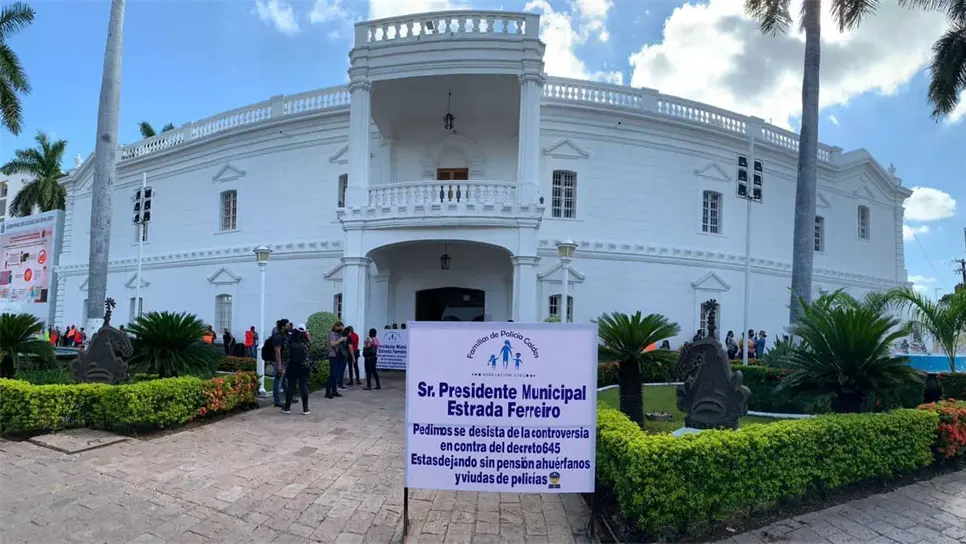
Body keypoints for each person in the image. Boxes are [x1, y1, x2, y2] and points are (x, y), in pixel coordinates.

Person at [282, 326, 312, 415]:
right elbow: (309, 352)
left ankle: (287, 408)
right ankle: (305, 409)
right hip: (304, 366)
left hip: (292, 366)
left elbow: (286, 353)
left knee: (291, 386)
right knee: (303, 386)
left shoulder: (289, 340)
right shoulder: (306, 342)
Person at [272, 319, 292, 407]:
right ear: (283, 326)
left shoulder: (285, 335)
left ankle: (289, 397)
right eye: (287, 326)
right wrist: (279, 365)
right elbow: (277, 351)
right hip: (280, 362)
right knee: (278, 381)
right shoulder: (278, 337)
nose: (289, 327)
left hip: (285, 361)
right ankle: (277, 400)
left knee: (285, 380)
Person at [326, 321, 348, 399]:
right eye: (340, 327)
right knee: (333, 374)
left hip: (338, 356)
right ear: (336, 327)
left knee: (336, 374)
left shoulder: (339, 334)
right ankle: (328, 392)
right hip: (333, 355)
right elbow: (332, 344)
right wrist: (341, 340)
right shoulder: (332, 334)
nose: (341, 329)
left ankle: (334, 391)